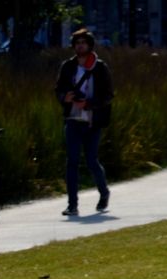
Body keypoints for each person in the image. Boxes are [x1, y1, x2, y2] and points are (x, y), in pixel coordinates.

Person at [54, 28, 113, 216]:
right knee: (71, 161)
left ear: (89, 45)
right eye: (77, 43)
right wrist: (66, 97)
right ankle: (72, 204)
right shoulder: (68, 67)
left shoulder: (100, 67)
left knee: (91, 160)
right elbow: (58, 89)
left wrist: (88, 103)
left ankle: (104, 193)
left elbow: (108, 95)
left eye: (83, 42)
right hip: (73, 118)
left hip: (92, 120)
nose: (80, 46)